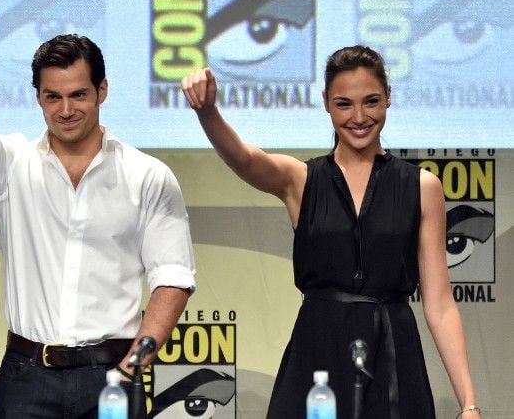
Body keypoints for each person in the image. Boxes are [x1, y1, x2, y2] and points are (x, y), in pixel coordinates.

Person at [0, 0, 196, 418]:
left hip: (113, 375)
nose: (66, 110)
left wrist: (132, 368)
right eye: (52, 97)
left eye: (79, 95)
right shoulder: (9, 164)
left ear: (102, 91)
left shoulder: (147, 175)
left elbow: (173, 277)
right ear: (37, 97)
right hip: (26, 377)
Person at [182, 46, 481, 418]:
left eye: (371, 101)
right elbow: (244, 158)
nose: (359, 117)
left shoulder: (422, 187)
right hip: (317, 352)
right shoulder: (300, 180)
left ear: (389, 97)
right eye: (344, 104)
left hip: (394, 355)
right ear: (326, 102)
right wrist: (207, 112)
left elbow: (440, 305)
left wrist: (469, 404)